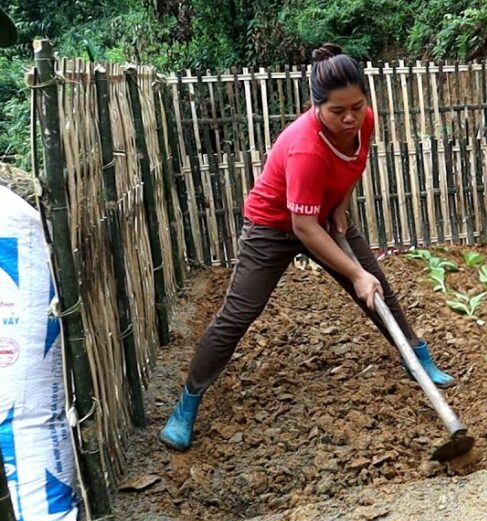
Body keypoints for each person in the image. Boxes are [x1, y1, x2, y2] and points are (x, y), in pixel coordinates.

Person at [159, 43, 454, 452]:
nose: (349, 117)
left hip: (324, 215)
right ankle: (187, 402)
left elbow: (357, 162)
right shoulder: (305, 147)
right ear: (315, 105)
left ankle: (415, 356)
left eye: (356, 106)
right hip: (275, 226)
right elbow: (302, 226)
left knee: (378, 286)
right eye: (337, 111)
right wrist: (355, 272)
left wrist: (342, 207)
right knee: (238, 314)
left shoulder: (362, 121)